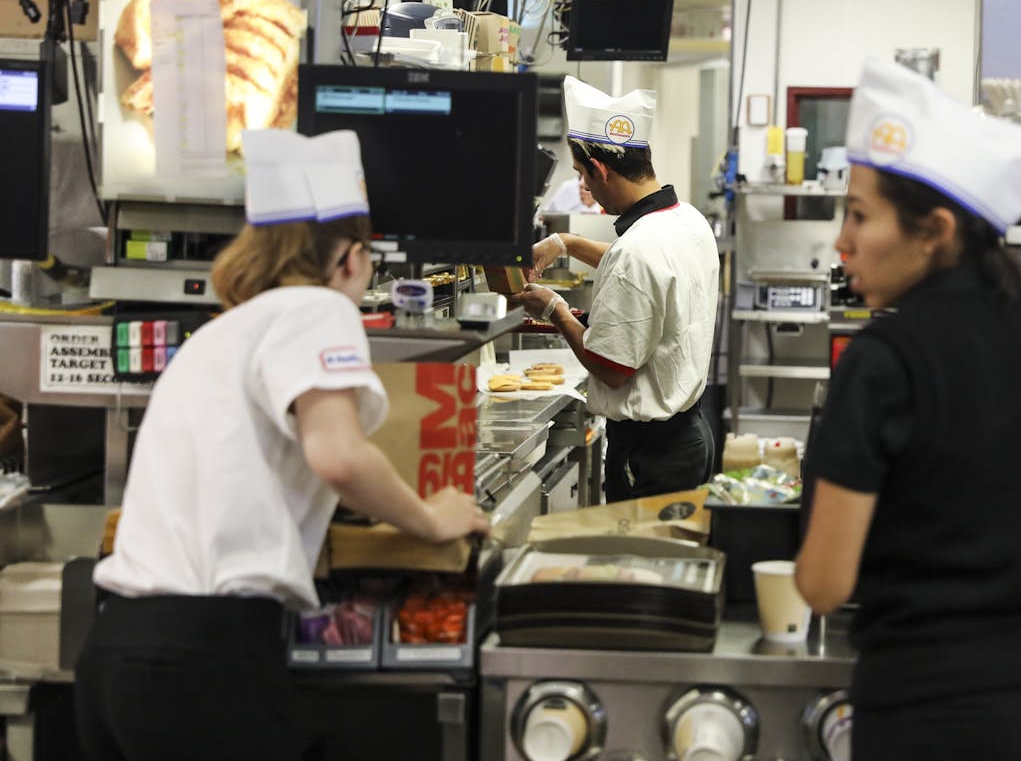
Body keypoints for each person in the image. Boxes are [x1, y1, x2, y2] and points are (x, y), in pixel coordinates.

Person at [73, 129, 489, 761]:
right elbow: (338, 455)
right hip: (202, 656)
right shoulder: (315, 308)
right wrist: (432, 518)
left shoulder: (221, 331)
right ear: (350, 257)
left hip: (114, 650)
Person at [794, 58, 1021, 761]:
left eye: (860, 215)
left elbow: (823, 582)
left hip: (931, 714)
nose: (842, 240)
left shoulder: (882, 360)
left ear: (935, 230)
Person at [512, 77, 720, 501]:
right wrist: (565, 243)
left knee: (639, 564)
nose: (586, 188)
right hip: (690, 438)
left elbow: (611, 368)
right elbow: (643, 267)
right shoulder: (686, 220)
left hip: (649, 456)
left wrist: (554, 308)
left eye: (582, 175)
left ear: (600, 170)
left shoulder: (639, 249)